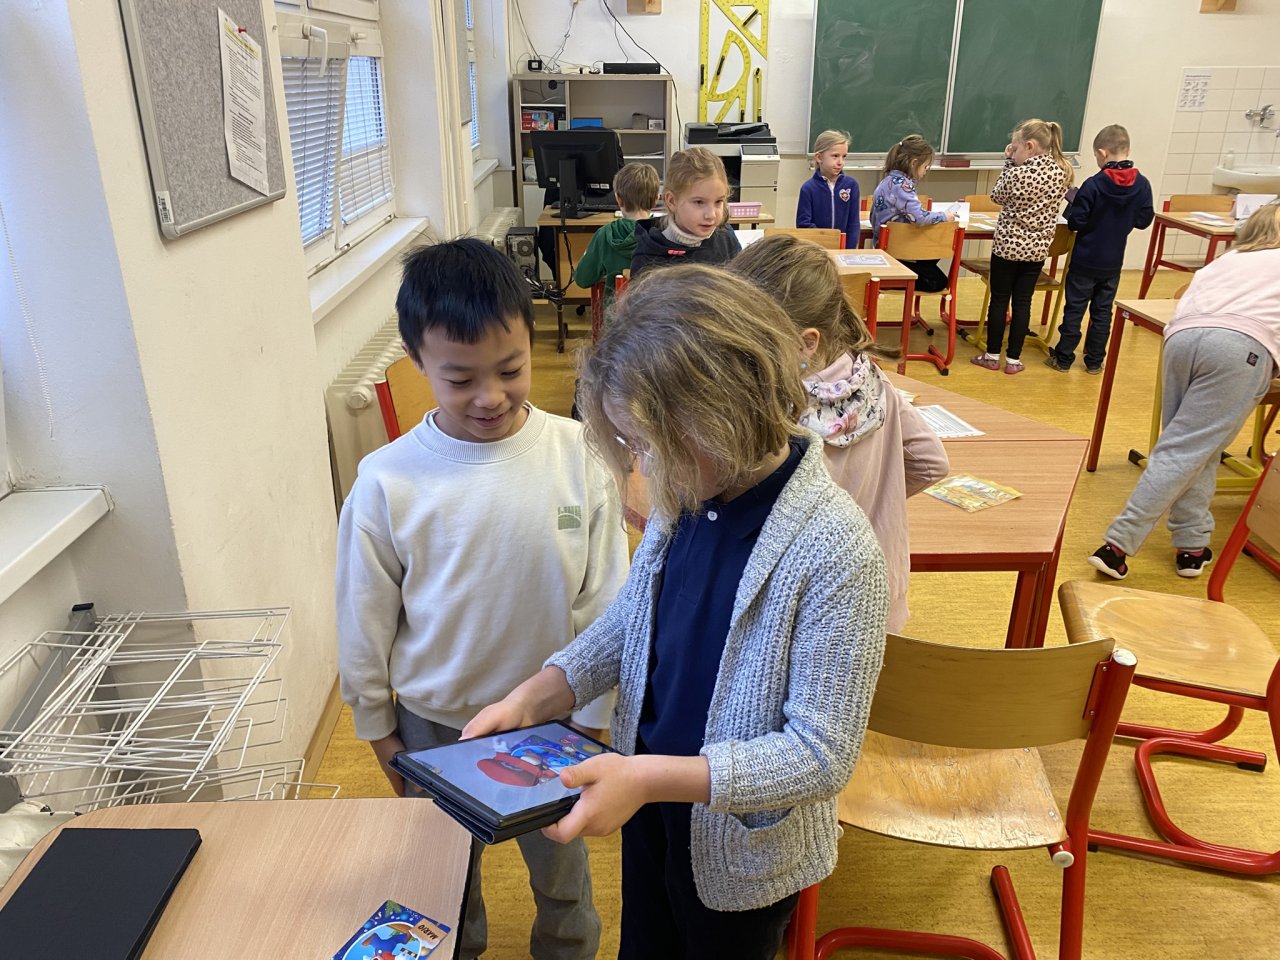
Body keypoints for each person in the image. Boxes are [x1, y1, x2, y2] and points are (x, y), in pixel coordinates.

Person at [463, 264, 889, 960]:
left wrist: (650, 777)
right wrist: (541, 692)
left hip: (741, 851)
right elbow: (633, 622)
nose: (643, 466)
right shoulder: (687, 492)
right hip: (651, 806)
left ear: (724, 414)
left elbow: (821, 755)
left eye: (649, 444)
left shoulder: (837, 550)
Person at [336, 238, 629, 960]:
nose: (490, 396)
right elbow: (362, 620)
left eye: (511, 369)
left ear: (531, 341)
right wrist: (380, 732)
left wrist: (592, 716)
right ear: (417, 360)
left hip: (550, 724)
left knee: (563, 876)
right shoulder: (386, 481)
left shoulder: (580, 455)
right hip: (434, 723)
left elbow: (607, 603)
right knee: (444, 882)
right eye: (460, 378)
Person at [728, 234, 948, 632]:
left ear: (806, 343)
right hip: (879, 592)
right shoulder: (872, 379)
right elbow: (932, 462)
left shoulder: (780, 416)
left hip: (806, 612)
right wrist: (874, 507)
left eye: (748, 340)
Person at [1088, 202, 1280, 581]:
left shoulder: (1225, 261)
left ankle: (1192, 546)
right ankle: (1117, 545)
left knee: (1195, 448)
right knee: (1185, 450)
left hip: (1181, 341)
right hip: (1238, 349)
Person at [1045, 124, 1154, 374]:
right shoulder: (1142, 184)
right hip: (1113, 261)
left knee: (1075, 309)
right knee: (1103, 312)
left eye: (1096, 155)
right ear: (1127, 150)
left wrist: (1080, 207)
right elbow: (1143, 220)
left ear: (1103, 153)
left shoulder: (1094, 184)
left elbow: (1076, 222)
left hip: (1085, 259)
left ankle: (1063, 358)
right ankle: (1094, 361)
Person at [971, 119, 1072, 375]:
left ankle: (992, 355)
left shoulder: (1017, 173)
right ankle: (1014, 359)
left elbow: (996, 195)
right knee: (1023, 302)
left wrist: (1008, 163)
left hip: (1007, 248)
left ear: (1029, 146)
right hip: (1036, 251)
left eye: (1015, 149)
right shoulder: (1060, 172)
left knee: (999, 300)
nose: (1012, 153)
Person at [630, 147, 742, 279]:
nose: (711, 215)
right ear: (672, 201)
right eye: (699, 202)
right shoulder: (647, 256)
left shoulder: (727, 240)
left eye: (718, 201)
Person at [868, 134, 957, 292]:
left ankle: (898, 276)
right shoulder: (903, 186)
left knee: (933, 254)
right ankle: (895, 280)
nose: (925, 172)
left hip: (887, 246)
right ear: (914, 163)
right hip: (898, 250)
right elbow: (919, 218)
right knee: (939, 281)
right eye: (925, 167)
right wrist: (944, 216)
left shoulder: (887, 181)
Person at [572, 161, 659, 305]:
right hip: (655, 315)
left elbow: (582, 279)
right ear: (656, 199)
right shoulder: (663, 234)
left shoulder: (604, 235)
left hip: (616, 316)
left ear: (618, 199)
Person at [796, 129, 860, 243]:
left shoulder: (851, 185)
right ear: (819, 158)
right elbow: (803, 225)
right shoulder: (808, 189)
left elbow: (853, 224)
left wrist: (849, 249)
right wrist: (826, 241)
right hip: (816, 248)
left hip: (843, 249)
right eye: (835, 156)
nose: (840, 162)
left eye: (844, 156)